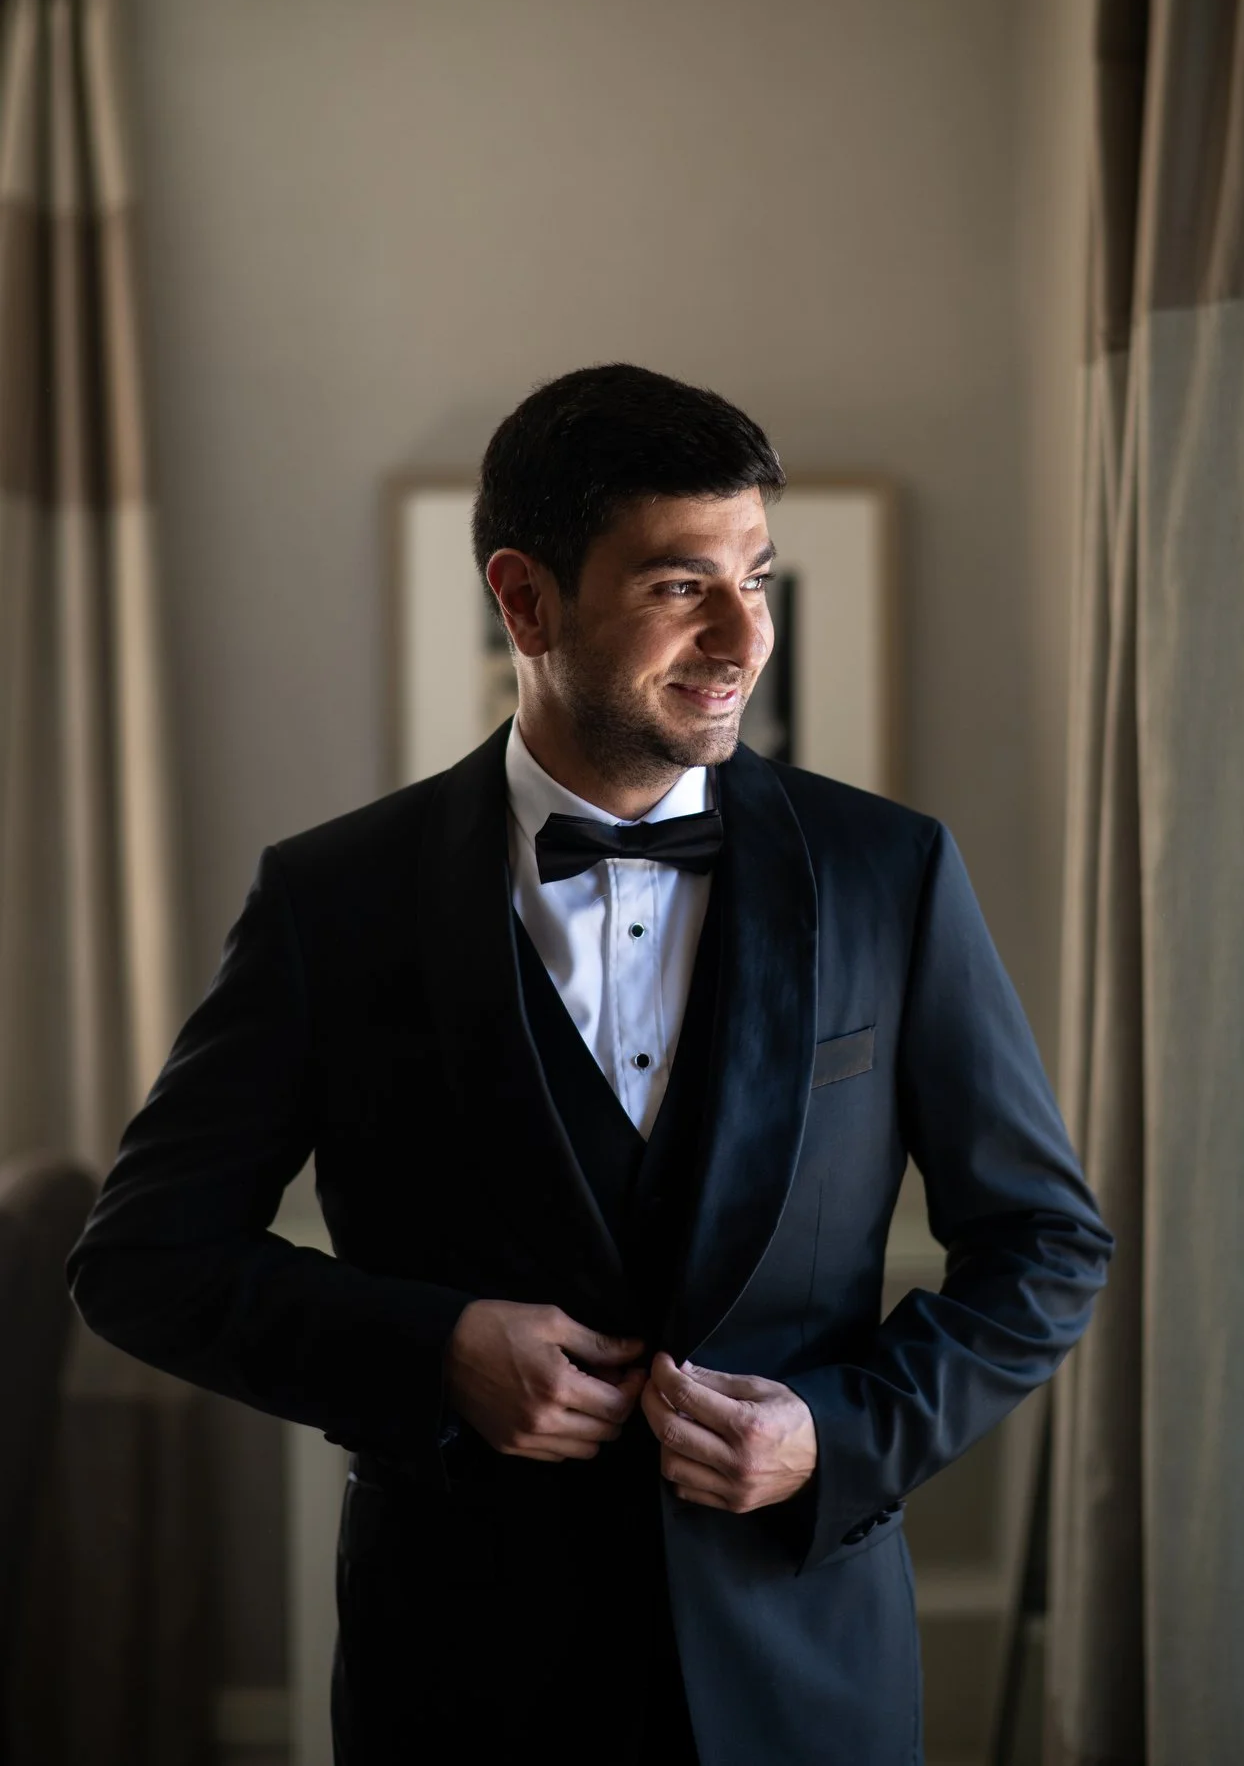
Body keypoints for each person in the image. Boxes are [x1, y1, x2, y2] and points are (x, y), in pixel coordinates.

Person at [66, 362, 1115, 1765]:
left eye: (760, 574)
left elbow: (1044, 1246)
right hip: (461, 1676)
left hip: (801, 1676)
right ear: (524, 600)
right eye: (683, 586)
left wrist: (835, 1430)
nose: (746, 633)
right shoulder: (336, 901)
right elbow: (141, 1257)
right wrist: (430, 1352)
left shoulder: (889, 873)